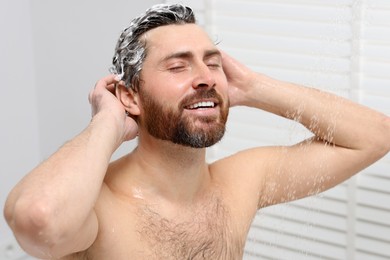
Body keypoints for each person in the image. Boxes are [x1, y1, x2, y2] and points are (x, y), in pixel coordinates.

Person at [4, 3, 390, 260]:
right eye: (178, 67)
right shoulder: (99, 206)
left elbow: (375, 136)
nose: (205, 78)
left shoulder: (241, 183)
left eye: (213, 64)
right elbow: (40, 222)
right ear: (130, 95)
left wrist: (254, 88)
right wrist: (106, 120)